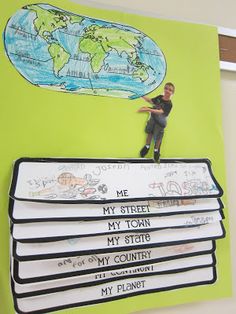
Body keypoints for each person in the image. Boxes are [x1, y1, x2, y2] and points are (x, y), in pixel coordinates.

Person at [138, 82, 175, 162]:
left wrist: (148, 109)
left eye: (170, 90)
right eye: (166, 88)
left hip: (160, 123)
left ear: (172, 93)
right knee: (149, 132)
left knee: (158, 138)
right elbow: (151, 101)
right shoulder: (159, 97)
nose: (167, 91)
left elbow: (160, 111)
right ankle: (147, 147)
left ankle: (156, 151)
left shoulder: (169, 104)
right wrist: (141, 95)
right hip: (153, 119)